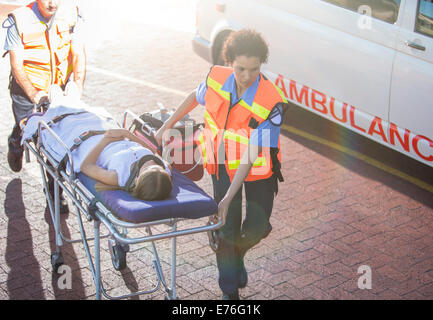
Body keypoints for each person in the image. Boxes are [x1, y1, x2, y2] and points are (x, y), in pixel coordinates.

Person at [155, 29, 287, 300]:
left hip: (257, 169)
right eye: (240, 69)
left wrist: (227, 198)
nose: (247, 76)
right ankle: (229, 290)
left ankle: (234, 253)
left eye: (254, 69)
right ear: (230, 62)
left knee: (258, 227)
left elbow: (252, 153)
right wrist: (167, 126)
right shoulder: (217, 78)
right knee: (227, 225)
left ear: (261, 64)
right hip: (221, 162)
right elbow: (195, 95)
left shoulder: (271, 101)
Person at [3, 0, 86, 212]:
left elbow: (78, 54)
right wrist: (35, 94)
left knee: (51, 141)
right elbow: (16, 65)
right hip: (26, 89)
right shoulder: (19, 20)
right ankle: (16, 140)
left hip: (56, 88)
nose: (52, 3)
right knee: (26, 129)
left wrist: (77, 86)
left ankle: (53, 192)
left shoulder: (71, 15)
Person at [21, 87, 173, 201]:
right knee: (81, 106)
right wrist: (128, 135)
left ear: (139, 179)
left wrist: (106, 139)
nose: (149, 163)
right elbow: (150, 153)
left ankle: (56, 99)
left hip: (90, 141)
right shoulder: (163, 169)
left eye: (148, 168)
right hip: (111, 133)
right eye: (154, 165)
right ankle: (70, 96)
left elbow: (86, 167)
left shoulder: (119, 177)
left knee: (62, 104)